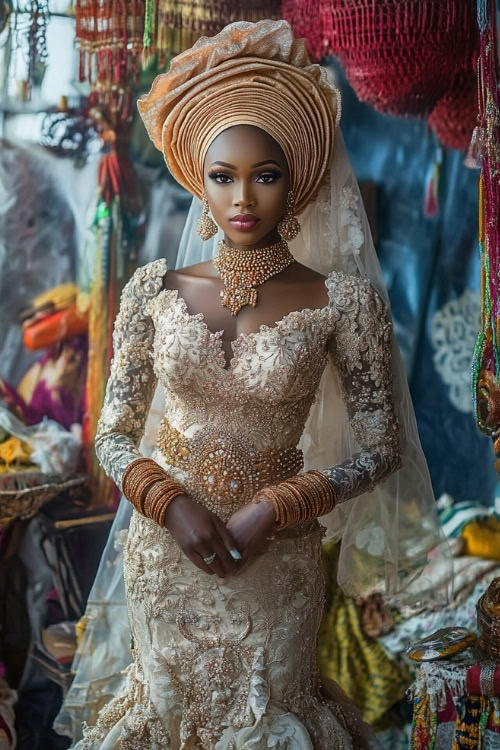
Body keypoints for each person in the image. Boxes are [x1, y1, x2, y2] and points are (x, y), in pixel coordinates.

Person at [66, 19, 447, 749]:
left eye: (264, 175)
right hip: (164, 558)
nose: (243, 198)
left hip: (279, 563)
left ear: (295, 181)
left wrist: (278, 506)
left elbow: (382, 445)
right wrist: (168, 501)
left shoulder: (344, 301)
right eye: (222, 176)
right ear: (198, 183)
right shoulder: (152, 290)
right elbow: (113, 433)